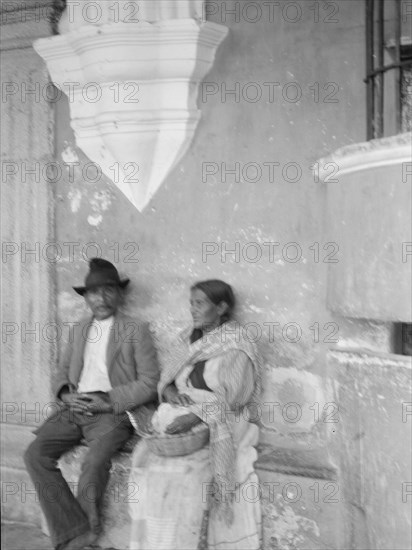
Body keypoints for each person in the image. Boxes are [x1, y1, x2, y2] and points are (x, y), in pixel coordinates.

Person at [24, 258, 160, 550]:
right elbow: (61, 372)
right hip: (75, 408)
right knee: (35, 454)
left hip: (112, 411)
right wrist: (64, 394)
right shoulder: (78, 329)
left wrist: (108, 401)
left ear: (119, 294)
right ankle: (73, 528)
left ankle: (85, 533)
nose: (101, 298)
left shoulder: (135, 329)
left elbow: (150, 383)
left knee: (95, 460)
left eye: (109, 290)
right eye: (94, 292)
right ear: (86, 298)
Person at [129, 279, 262, 550]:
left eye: (199, 303)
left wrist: (195, 417)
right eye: (191, 303)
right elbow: (166, 381)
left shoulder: (238, 343)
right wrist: (170, 395)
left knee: (190, 479)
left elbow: (235, 397)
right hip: (186, 409)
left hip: (224, 417)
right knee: (146, 467)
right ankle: (154, 542)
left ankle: (186, 543)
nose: (193, 309)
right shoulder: (187, 338)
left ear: (221, 307)